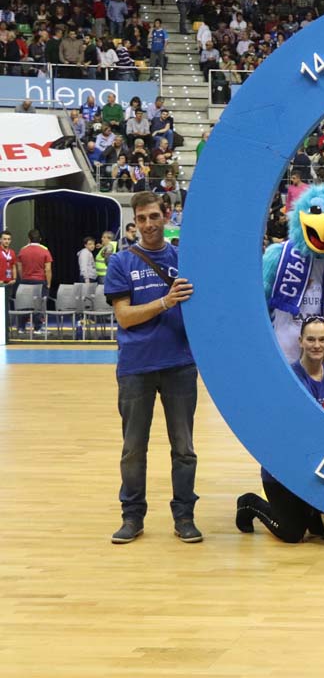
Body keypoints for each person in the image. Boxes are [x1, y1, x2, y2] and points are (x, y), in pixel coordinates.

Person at [105, 192, 200, 545]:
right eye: (142, 218)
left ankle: (185, 516)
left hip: (180, 364)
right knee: (133, 448)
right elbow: (125, 318)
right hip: (135, 366)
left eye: (154, 217)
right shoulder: (121, 263)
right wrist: (165, 302)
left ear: (167, 215)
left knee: (184, 447)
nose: (148, 224)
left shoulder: (184, 258)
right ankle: (132, 517)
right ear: (135, 221)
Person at [236, 316, 324, 542]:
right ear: (300, 341)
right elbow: (300, 426)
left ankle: (310, 511)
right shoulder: (289, 377)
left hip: (315, 466)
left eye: (322, 339)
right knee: (291, 533)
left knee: (317, 531)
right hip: (282, 468)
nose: (317, 345)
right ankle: (249, 503)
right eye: (311, 339)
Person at [16, 229, 53, 332]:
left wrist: (23, 278)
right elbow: (48, 269)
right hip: (40, 282)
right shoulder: (45, 250)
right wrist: (49, 283)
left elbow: (19, 267)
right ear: (40, 239)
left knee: (24, 304)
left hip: (25, 281)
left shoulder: (23, 250)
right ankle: (38, 328)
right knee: (38, 305)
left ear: (29, 239)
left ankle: (21, 328)